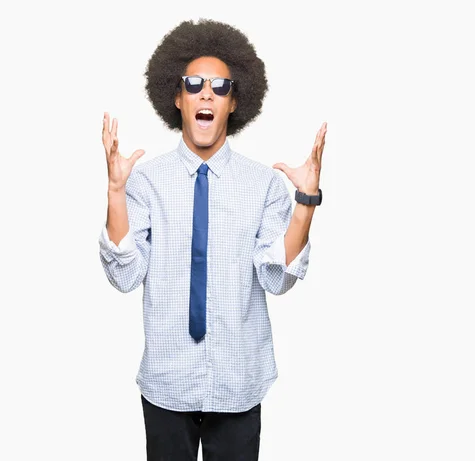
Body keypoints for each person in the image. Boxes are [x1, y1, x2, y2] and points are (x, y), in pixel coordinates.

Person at [98, 18, 326, 461]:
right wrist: (115, 193)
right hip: (167, 382)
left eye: (220, 86)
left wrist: (306, 201)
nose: (207, 93)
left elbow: (278, 279)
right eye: (195, 83)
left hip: (239, 381)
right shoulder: (145, 182)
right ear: (178, 98)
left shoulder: (262, 185)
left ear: (234, 101)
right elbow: (125, 276)